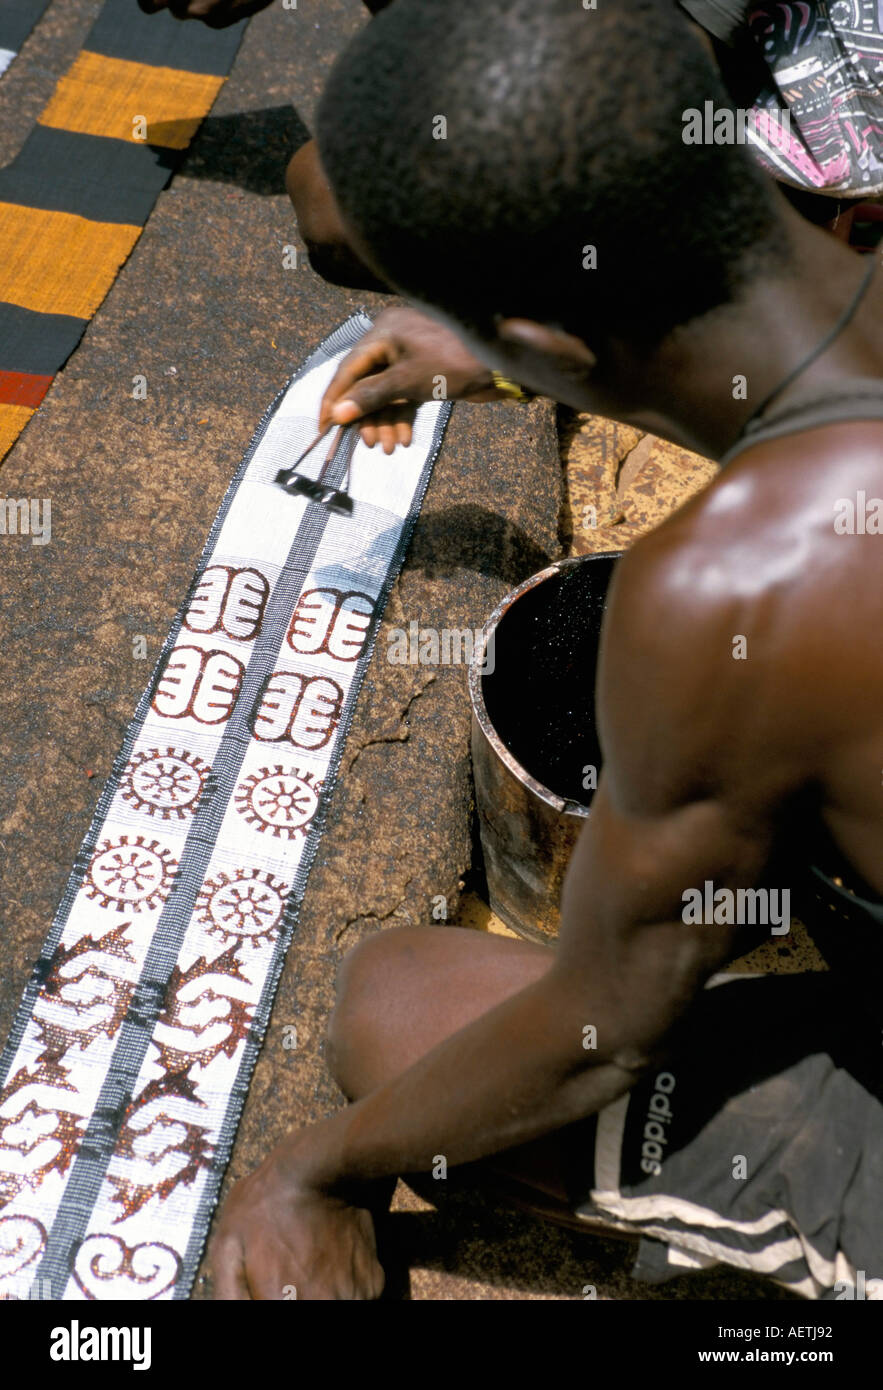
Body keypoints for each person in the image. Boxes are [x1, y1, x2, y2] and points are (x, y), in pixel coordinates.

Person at [208, 0, 883, 1298]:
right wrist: (507, 354)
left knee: (396, 1005)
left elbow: (596, 1033)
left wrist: (320, 1169)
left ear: (549, 332)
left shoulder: (728, 599)